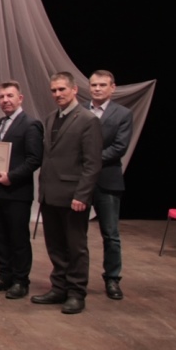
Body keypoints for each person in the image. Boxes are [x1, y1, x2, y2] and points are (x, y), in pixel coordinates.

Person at [31, 71, 102, 315]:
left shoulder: (88, 120)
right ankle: (59, 288)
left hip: (74, 196)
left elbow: (92, 164)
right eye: (54, 90)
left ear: (74, 90)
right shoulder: (51, 118)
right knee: (55, 245)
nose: (57, 94)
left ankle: (76, 293)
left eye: (62, 89)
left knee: (76, 247)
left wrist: (82, 195)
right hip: (50, 194)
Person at [0, 81, 43, 301]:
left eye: (10, 96)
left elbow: (34, 159)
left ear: (20, 98)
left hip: (17, 192)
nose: (5, 100)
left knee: (18, 238)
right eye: (2, 97)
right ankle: (4, 275)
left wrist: (11, 177)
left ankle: (20, 281)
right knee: (0, 236)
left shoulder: (31, 124)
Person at [87, 70, 133, 300]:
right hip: (80, 181)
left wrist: (89, 159)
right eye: (94, 85)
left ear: (112, 87)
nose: (97, 88)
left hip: (107, 180)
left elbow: (119, 148)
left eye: (102, 85)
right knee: (75, 233)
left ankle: (112, 279)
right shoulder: (79, 111)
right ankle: (74, 277)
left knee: (111, 234)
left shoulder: (123, 114)